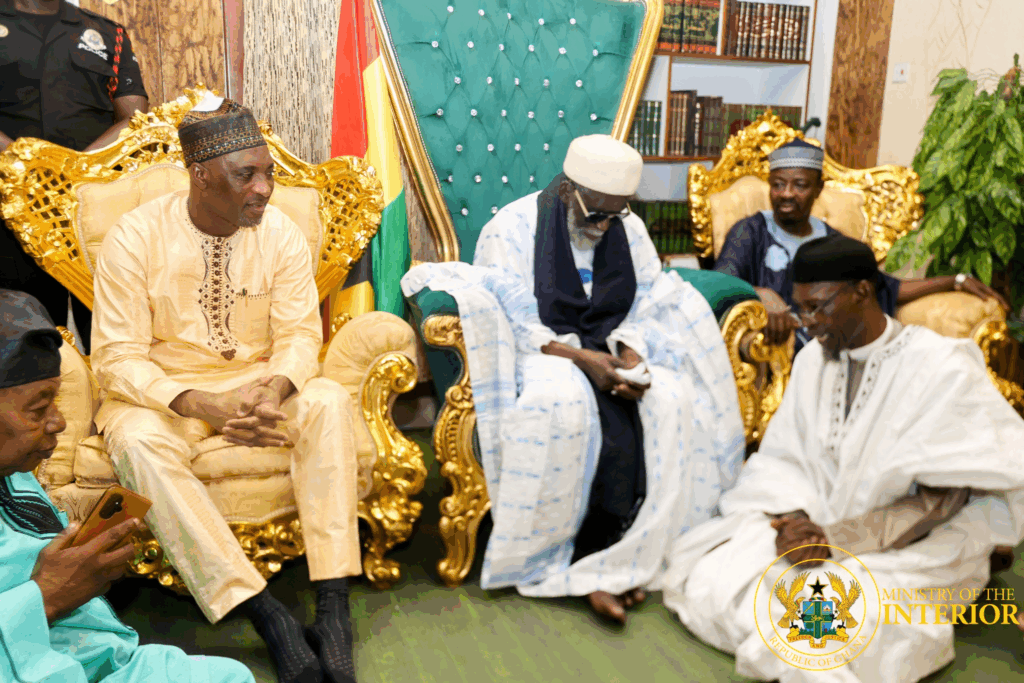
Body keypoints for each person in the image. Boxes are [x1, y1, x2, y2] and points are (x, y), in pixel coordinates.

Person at [401, 134, 746, 623]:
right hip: (542, 352)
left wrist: (628, 355)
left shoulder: (627, 227)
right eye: (596, 215)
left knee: (673, 400)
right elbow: (513, 321)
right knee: (564, 403)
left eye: (617, 215)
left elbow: (647, 299)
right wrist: (585, 362)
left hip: (608, 347)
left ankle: (631, 555)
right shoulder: (512, 228)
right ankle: (579, 564)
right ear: (567, 190)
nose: (605, 227)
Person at [659, 233, 1024, 683]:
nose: (807, 323)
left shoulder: (938, 368)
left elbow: (943, 500)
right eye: (801, 308)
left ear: (863, 292)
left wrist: (834, 540)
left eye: (819, 307)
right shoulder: (814, 358)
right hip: (817, 523)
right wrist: (792, 522)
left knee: (842, 624)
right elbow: (786, 460)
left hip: (909, 541)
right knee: (712, 579)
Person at [90, 96, 359, 683]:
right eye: (247, 176)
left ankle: (333, 607)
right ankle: (264, 613)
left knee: (329, 402)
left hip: (258, 383)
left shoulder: (281, 232)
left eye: (268, 173)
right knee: (136, 442)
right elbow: (115, 356)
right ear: (201, 176)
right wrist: (192, 401)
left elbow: (297, 334)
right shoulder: (134, 237)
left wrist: (277, 389)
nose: (264, 188)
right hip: (166, 392)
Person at [0, 289, 255, 683]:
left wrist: (86, 565)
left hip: (89, 655)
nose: (59, 423)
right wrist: (46, 595)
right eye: (39, 408)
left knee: (230, 676)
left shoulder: (14, 476)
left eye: (55, 402)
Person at [713, 138, 1008, 351]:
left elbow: (886, 287)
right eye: (778, 184)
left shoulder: (833, 241)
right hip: (772, 346)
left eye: (799, 185)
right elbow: (721, 283)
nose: (786, 194)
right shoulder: (750, 231)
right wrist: (761, 293)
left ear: (819, 188)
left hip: (832, 345)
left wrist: (955, 281)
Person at [0, 0, 149, 352]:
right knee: (22, 331)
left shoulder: (108, 33)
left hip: (91, 204)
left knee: (108, 325)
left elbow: (135, 116)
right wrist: (24, 163)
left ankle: (115, 403)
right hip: (11, 199)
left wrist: (74, 171)